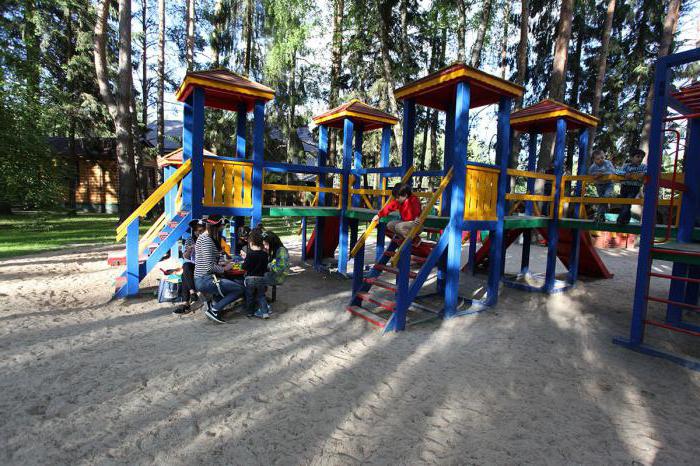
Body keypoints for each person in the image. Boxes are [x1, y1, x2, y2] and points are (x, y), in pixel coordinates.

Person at [194, 215, 244, 324]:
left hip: (204, 278)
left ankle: (215, 306)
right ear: (214, 227)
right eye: (221, 227)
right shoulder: (207, 240)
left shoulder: (204, 238)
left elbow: (207, 260)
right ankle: (215, 310)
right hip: (205, 280)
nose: (222, 230)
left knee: (230, 284)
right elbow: (209, 265)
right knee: (239, 289)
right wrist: (225, 268)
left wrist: (223, 263)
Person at [174, 219, 206, 315]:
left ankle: (186, 302)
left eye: (200, 230)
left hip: (203, 264)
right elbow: (186, 256)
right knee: (185, 266)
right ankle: (191, 293)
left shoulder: (207, 239)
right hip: (193, 264)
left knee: (184, 274)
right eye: (196, 230)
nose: (198, 232)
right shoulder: (190, 239)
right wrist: (189, 250)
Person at [243, 229, 271, 319]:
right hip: (261, 278)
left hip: (250, 279)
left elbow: (244, 267)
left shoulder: (250, 254)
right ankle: (264, 312)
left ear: (251, 243)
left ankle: (250, 312)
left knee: (250, 296)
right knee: (261, 295)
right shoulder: (264, 254)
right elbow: (265, 266)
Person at [617, 149, 647, 225]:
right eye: (638, 156)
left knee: (628, 203)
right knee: (624, 204)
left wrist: (642, 174)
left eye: (642, 157)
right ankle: (626, 219)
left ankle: (620, 220)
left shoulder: (643, 167)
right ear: (631, 158)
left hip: (634, 188)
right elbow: (617, 171)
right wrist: (625, 174)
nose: (640, 159)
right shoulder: (626, 166)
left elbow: (647, 171)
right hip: (624, 187)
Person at [588, 149, 617, 223]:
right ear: (594, 160)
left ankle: (599, 215)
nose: (601, 160)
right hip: (599, 185)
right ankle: (602, 216)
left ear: (604, 157)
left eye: (602, 158)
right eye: (598, 159)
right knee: (602, 200)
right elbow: (590, 174)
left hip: (608, 184)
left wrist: (602, 174)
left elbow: (613, 172)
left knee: (606, 197)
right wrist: (594, 176)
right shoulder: (593, 167)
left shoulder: (607, 163)